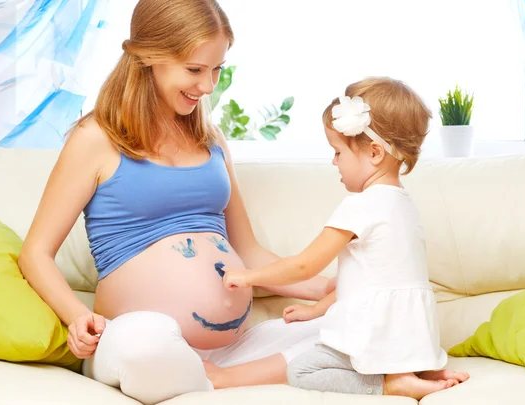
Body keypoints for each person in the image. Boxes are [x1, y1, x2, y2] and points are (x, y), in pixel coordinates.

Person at [17, 1, 330, 404]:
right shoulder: (95, 139)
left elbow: (249, 252)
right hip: (138, 345)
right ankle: (226, 379)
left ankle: (222, 379)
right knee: (145, 342)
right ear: (149, 56)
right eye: (195, 70)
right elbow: (35, 254)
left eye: (217, 69)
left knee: (359, 320)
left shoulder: (211, 141)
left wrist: (335, 288)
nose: (208, 86)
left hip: (233, 352)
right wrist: (77, 317)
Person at [222, 77, 471, 400]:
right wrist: (315, 311)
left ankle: (388, 383)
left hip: (375, 336)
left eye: (338, 152)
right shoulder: (403, 204)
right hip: (412, 339)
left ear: (375, 152)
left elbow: (304, 266)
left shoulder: (361, 205)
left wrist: (248, 276)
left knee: (301, 370)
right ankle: (417, 369)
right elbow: (372, 280)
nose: (334, 162)